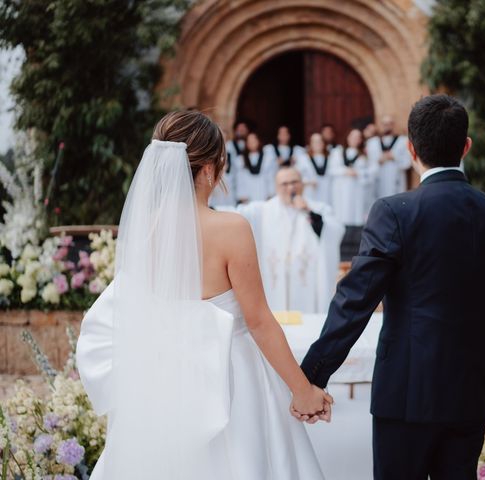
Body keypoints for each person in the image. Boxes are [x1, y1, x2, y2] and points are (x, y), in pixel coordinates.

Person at [76, 111, 332, 480]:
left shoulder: (144, 231)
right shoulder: (231, 228)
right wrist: (303, 390)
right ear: (211, 168)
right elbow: (259, 321)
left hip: (165, 380)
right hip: (235, 380)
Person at [299, 95, 485, 479]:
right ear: (466, 146)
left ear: (410, 148)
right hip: (471, 390)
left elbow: (355, 301)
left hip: (406, 394)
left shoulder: (394, 211)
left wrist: (312, 376)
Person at [231, 167, 345, 313]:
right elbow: (236, 214)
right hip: (275, 281)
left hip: (305, 284)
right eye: (284, 184)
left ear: (302, 184)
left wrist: (310, 212)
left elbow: (335, 230)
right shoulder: (264, 209)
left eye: (294, 182)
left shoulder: (319, 209)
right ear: (276, 187)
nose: (291, 187)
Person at [329, 128, 377, 226]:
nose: (355, 139)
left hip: (357, 187)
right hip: (341, 187)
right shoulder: (337, 152)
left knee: (356, 211)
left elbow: (374, 170)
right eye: (352, 137)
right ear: (347, 137)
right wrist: (345, 171)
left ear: (361, 140)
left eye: (358, 137)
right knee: (342, 211)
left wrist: (359, 173)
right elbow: (331, 169)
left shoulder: (365, 155)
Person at [366, 115, 411, 198]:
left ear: (393, 125)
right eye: (384, 124)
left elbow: (408, 163)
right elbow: (368, 164)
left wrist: (394, 157)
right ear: (381, 125)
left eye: (390, 123)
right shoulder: (372, 142)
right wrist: (378, 160)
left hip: (396, 181)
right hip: (379, 181)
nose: (387, 126)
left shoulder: (403, 141)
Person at [235, 132, 277, 203]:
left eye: (254, 141)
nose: (252, 143)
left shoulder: (267, 158)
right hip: (248, 197)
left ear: (259, 141)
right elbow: (240, 180)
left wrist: (270, 194)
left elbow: (270, 177)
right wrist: (242, 197)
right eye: (249, 141)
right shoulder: (240, 160)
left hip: (264, 194)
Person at [297, 133, 333, 205]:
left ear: (323, 143)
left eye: (320, 141)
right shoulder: (303, 158)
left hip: (328, 193)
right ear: (310, 144)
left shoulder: (331, 158)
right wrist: (308, 182)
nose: (318, 144)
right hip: (311, 192)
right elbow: (298, 175)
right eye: (315, 142)